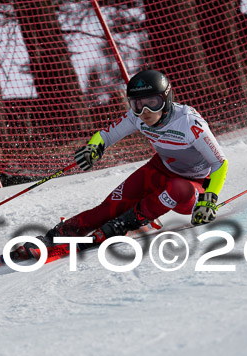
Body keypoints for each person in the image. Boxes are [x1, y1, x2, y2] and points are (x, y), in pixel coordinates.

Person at [25, 69, 228, 257]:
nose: (145, 111)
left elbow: (220, 163)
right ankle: (55, 237)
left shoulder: (190, 123)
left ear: (166, 100)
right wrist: (92, 148)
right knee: (108, 208)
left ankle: (126, 224)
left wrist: (208, 200)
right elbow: (106, 135)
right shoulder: (136, 117)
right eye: (137, 104)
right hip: (159, 170)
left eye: (152, 103)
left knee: (176, 187)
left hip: (192, 187)